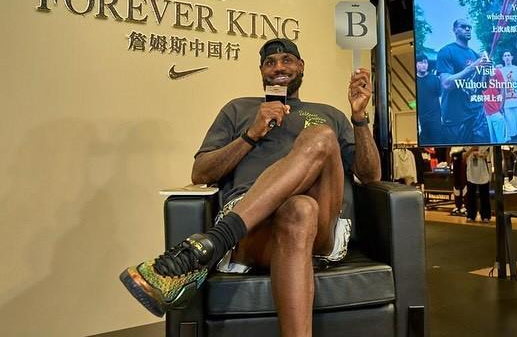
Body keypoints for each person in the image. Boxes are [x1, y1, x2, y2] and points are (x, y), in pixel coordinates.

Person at [119, 38, 381, 337]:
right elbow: (201, 171)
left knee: (320, 137)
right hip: (253, 230)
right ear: (261, 71)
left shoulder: (329, 113)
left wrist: (359, 118)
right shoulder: (238, 109)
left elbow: (370, 175)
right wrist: (251, 134)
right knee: (300, 208)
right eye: (270, 62)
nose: (278, 67)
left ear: (300, 66)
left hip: (319, 228)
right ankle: (222, 239)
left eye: (286, 60)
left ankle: (210, 245)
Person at [436, 19, 490, 144]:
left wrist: (487, 70)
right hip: (456, 117)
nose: (467, 29)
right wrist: (473, 67)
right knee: (458, 152)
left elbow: (483, 86)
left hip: (477, 114)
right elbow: (446, 84)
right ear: (455, 30)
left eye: (469, 27)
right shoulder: (446, 51)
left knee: (484, 148)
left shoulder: (475, 55)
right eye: (463, 26)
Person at [415, 53, 442, 145]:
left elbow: (440, 97)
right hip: (421, 118)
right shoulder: (415, 81)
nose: (424, 65)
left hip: (435, 117)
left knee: (437, 141)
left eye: (425, 63)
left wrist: (441, 116)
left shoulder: (434, 79)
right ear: (416, 64)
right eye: (421, 62)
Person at [464, 146, 491, 223]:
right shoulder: (466, 144)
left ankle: (485, 216)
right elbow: (464, 156)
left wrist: (482, 154)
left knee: (484, 195)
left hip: (483, 171)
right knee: (471, 195)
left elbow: (488, 155)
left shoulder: (485, 144)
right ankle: (471, 215)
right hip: (471, 171)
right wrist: (472, 150)